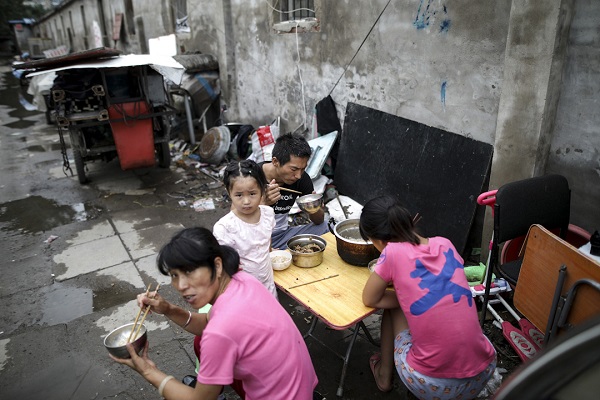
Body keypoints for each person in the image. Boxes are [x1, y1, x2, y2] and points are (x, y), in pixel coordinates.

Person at [359, 195, 496, 399]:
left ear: (379, 241)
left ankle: (384, 375)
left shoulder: (392, 252)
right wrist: (411, 297)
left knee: (392, 308)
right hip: (482, 372)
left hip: (431, 383)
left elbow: (369, 299)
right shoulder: (445, 244)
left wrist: (405, 299)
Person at [213, 159, 277, 297]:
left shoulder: (268, 214)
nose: (246, 201)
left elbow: (268, 242)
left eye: (252, 193)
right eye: (239, 195)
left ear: (263, 189)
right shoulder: (224, 228)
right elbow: (223, 267)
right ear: (228, 192)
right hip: (242, 293)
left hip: (268, 287)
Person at [261, 133, 328, 249]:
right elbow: (236, 216)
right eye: (294, 169)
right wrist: (263, 204)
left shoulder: (302, 179)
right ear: (275, 161)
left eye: (303, 169)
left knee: (325, 227)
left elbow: (319, 221)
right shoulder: (253, 177)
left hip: (282, 236)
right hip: (256, 237)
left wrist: (315, 208)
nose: (298, 176)